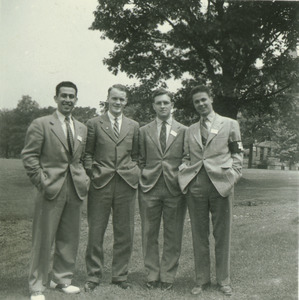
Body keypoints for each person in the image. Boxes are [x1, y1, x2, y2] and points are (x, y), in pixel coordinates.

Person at [21, 81, 90, 300]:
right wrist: (42, 181)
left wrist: (84, 178)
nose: (68, 99)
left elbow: (79, 158)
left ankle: (62, 279)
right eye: (64, 96)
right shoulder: (41, 124)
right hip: (50, 188)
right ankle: (37, 286)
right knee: (43, 238)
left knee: (69, 237)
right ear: (56, 98)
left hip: (75, 187)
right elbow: (29, 156)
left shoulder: (81, 128)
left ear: (76, 100)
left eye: (72, 96)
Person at [178, 85, 243, 296]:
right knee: (199, 235)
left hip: (222, 185)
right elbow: (186, 157)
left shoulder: (230, 124)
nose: (201, 104)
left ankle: (224, 280)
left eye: (203, 99)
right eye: (197, 102)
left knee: (222, 235)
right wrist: (184, 174)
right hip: (196, 186)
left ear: (211, 99)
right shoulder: (190, 130)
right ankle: (201, 280)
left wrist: (232, 176)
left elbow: (237, 154)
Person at [84, 84, 140, 292]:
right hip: (100, 183)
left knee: (124, 231)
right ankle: (93, 275)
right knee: (96, 232)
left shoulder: (133, 125)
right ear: (107, 99)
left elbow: (137, 155)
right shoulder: (94, 123)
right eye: (114, 98)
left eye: (121, 99)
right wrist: (93, 172)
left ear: (126, 102)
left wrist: (134, 171)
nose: (117, 103)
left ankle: (120, 275)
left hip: (126, 183)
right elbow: (87, 154)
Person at [138, 88, 187, 291]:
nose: (162, 106)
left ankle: (167, 275)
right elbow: (140, 158)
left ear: (172, 105)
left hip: (174, 188)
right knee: (149, 233)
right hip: (149, 187)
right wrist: (143, 176)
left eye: (166, 102)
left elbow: (187, 157)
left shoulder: (184, 130)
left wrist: (180, 174)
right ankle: (151, 274)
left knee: (173, 233)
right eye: (159, 103)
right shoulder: (143, 131)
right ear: (153, 106)